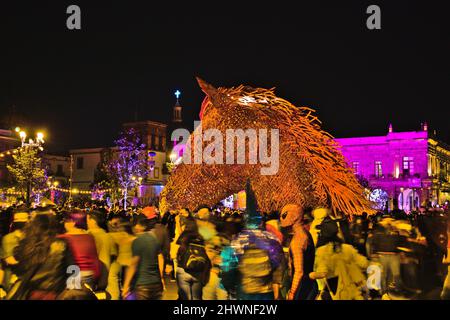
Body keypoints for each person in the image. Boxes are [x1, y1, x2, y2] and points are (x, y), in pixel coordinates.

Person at [8, 211, 73, 300]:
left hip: (31, 293)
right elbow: (73, 269)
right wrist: (73, 289)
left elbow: (20, 270)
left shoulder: (26, 245)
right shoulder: (62, 245)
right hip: (56, 293)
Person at [310, 220, 369, 300]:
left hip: (338, 292)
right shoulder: (347, 248)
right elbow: (364, 263)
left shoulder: (322, 251)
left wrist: (311, 275)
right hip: (354, 291)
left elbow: (323, 273)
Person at [122, 214, 166, 300]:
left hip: (142, 285)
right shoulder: (154, 238)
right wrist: (161, 277)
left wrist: (126, 286)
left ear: (138, 226)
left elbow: (133, 264)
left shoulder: (137, 241)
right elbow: (160, 257)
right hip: (156, 283)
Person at [280, 204, 317, 300]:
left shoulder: (297, 241)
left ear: (294, 217)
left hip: (302, 288)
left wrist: (292, 292)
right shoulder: (306, 234)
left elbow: (299, 271)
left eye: (285, 215)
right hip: (310, 284)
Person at [58, 211, 101, 290]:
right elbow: (95, 260)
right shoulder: (89, 237)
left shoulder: (63, 238)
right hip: (88, 274)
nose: (65, 223)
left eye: (67, 221)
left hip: (71, 274)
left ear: (73, 223)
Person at [176, 215, 211, 300]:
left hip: (183, 270)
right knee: (196, 297)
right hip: (198, 271)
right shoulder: (202, 236)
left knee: (185, 298)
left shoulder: (184, 236)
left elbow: (175, 253)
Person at [107, 215, 136, 300]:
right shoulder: (133, 237)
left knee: (115, 279)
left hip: (124, 264)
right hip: (126, 264)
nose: (114, 227)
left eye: (115, 224)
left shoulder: (120, 236)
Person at [1, 210, 29, 292]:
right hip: (15, 281)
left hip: (10, 281)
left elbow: (4, 263)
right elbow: (9, 260)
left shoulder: (7, 238)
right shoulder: (31, 238)